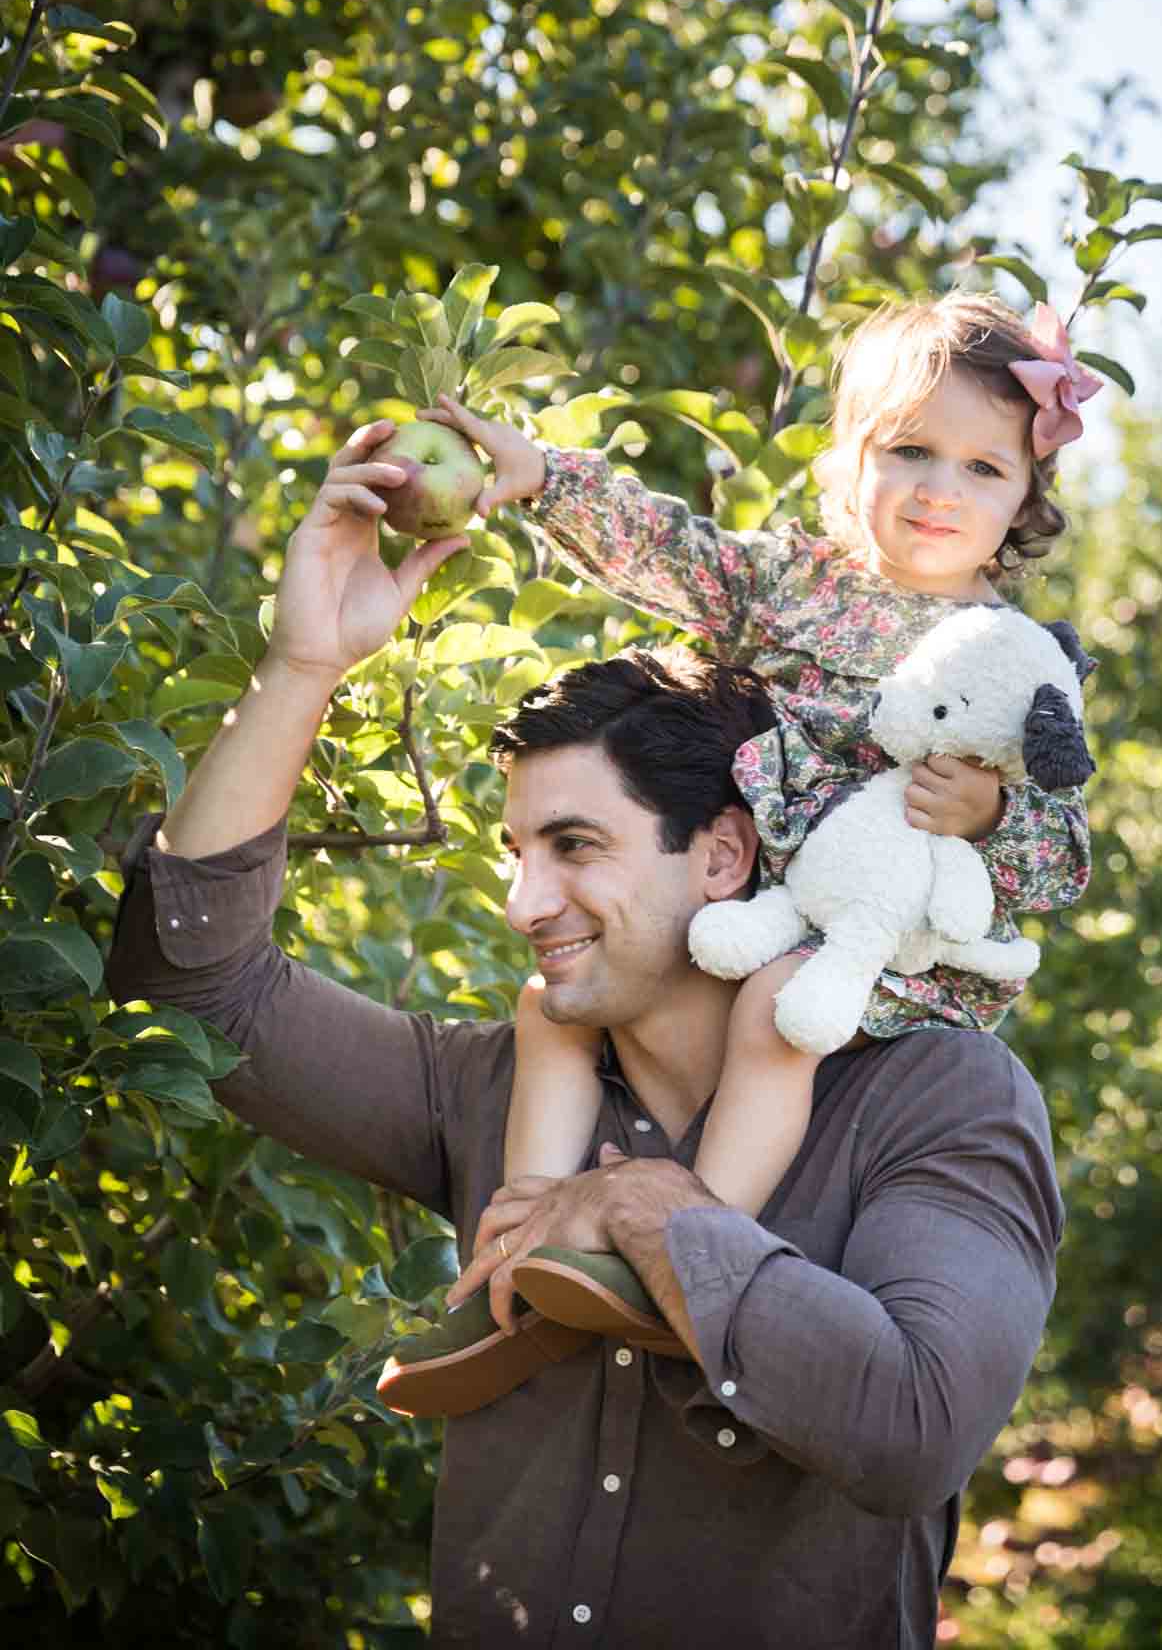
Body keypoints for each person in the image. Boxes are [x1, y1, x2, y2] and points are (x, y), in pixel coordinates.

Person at [104, 418, 1065, 1649]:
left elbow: (912, 1425)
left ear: (724, 853)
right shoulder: (494, 1083)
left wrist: (656, 1217)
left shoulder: (938, 1098)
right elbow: (187, 986)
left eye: (574, 847)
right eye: (518, 852)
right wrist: (300, 667)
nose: (522, 905)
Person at [424, 293, 1095, 1332]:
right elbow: (667, 547)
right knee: (545, 1006)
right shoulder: (790, 582)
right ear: (849, 457)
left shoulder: (1014, 660)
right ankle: (520, 1251)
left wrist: (988, 809)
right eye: (910, 449)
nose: (938, 490)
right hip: (730, 906)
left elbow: (1063, 857)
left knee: (775, 1006)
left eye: (983, 467)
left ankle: (685, 1243)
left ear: (1022, 500)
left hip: (865, 951)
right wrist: (544, 476)